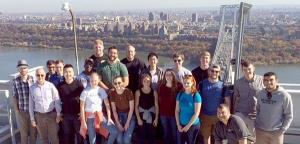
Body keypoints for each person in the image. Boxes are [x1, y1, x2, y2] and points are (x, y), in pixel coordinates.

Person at [255, 72, 293, 144]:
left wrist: (282, 130)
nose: (268, 82)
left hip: (276, 132)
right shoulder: (260, 94)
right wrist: (256, 126)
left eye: (271, 80)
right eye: (266, 80)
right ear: (263, 82)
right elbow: (257, 110)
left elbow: (289, 115)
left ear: (276, 81)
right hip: (260, 131)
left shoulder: (284, 96)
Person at [79, 72, 118, 144]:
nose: (94, 82)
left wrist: (109, 117)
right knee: (92, 140)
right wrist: (83, 121)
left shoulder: (101, 90)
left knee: (114, 131)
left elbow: (107, 104)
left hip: (100, 116)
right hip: (89, 118)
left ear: (98, 80)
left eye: (95, 80)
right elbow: (81, 107)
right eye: (92, 80)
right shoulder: (85, 92)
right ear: (89, 80)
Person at [199, 65, 230, 144]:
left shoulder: (223, 86)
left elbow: (227, 102)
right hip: (205, 115)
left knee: (218, 138)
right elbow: (197, 100)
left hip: (219, 116)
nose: (214, 73)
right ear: (209, 71)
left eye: (217, 71)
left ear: (219, 73)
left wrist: (227, 116)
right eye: (212, 71)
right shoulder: (202, 84)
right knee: (206, 137)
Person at [29, 68, 61, 144]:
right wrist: (32, 118)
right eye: (38, 75)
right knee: (43, 138)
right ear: (35, 76)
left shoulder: (50, 86)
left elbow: (57, 99)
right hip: (39, 116)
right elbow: (31, 104)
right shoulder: (32, 88)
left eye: (42, 75)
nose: (40, 77)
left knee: (54, 138)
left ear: (45, 75)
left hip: (51, 115)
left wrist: (58, 114)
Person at [233, 60, 264, 138]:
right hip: (241, 113)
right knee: (239, 136)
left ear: (253, 68)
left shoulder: (262, 80)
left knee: (255, 137)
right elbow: (235, 98)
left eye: (249, 69)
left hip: (255, 114)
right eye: (245, 69)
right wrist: (234, 112)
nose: (247, 71)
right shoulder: (238, 83)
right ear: (242, 70)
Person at [11, 59, 37, 144]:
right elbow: (14, 96)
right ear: (18, 69)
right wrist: (17, 111)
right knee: (24, 134)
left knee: (33, 133)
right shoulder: (15, 81)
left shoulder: (33, 79)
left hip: (33, 112)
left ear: (28, 68)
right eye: (21, 68)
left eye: (25, 68)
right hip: (22, 112)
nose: (23, 70)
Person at [57, 64, 84, 144]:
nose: (68, 74)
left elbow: (84, 99)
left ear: (73, 72)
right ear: (63, 73)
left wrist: (82, 113)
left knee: (79, 134)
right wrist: (59, 113)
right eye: (66, 72)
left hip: (77, 114)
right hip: (65, 115)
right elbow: (57, 101)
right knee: (68, 135)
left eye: (70, 72)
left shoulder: (79, 84)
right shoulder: (60, 86)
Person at [157, 68, 182, 144]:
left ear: (173, 75)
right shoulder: (162, 86)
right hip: (163, 114)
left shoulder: (179, 86)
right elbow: (159, 99)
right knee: (165, 132)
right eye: (167, 75)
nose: (168, 76)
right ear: (164, 76)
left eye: (170, 74)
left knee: (174, 133)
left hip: (174, 114)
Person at [175, 75, 201, 144]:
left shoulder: (196, 95)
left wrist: (187, 126)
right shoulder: (180, 94)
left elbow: (196, 113)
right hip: (181, 124)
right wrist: (178, 125)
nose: (186, 84)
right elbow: (177, 110)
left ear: (192, 83)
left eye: (188, 83)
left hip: (192, 125)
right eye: (184, 83)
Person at [109, 76, 135, 144]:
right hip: (119, 116)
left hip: (129, 116)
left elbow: (131, 109)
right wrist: (118, 123)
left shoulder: (128, 92)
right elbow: (114, 109)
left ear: (123, 82)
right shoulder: (112, 93)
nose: (117, 85)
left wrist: (127, 123)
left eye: (119, 82)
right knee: (119, 140)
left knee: (126, 140)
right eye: (115, 83)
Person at [135, 74, 159, 144]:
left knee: (151, 135)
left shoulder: (154, 92)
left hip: (151, 115)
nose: (146, 83)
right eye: (144, 81)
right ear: (142, 82)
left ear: (150, 82)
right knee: (142, 135)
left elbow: (156, 106)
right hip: (141, 115)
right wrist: (138, 118)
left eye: (148, 81)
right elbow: (136, 106)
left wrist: (156, 118)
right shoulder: (138, 92)